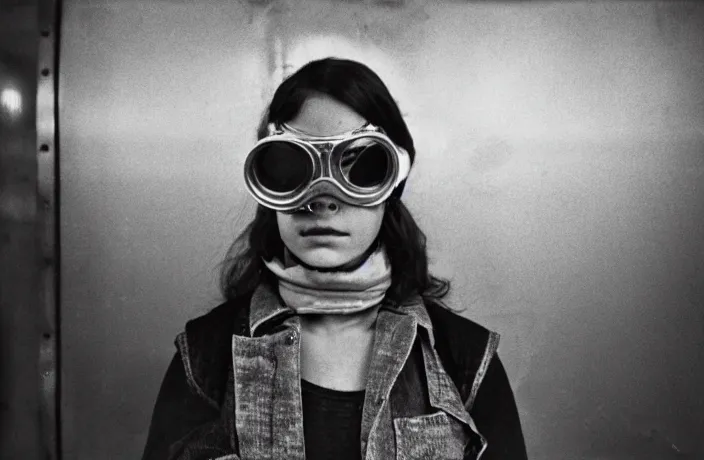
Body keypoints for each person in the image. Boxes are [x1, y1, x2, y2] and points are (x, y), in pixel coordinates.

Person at [141, 58, 528, 460]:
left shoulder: (464, 358)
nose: (323, 198)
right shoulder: (206, 357)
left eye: (360, 166)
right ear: (266, 181)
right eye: (293, 166)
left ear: (393, 180)